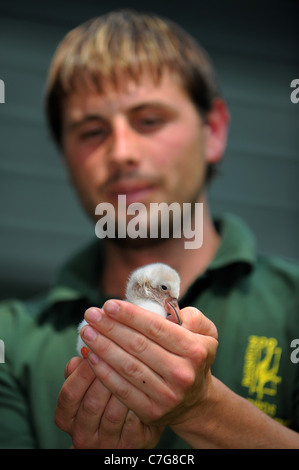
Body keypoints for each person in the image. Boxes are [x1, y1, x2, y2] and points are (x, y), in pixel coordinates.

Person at [0, 9, 299, 449]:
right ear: (64, 156)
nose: (121, 152)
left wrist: (205, 408)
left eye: (149, 121)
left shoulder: (292, 305)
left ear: (213, 130)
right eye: (91, 130)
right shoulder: (11, 343)